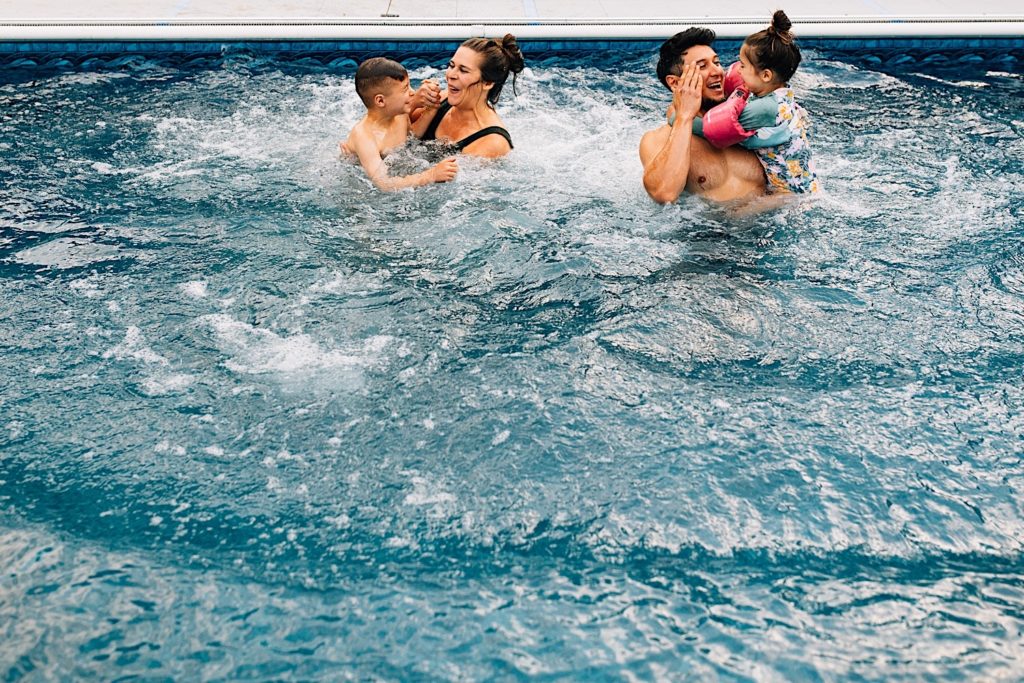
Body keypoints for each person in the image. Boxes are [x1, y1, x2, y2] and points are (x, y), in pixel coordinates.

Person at [696, 11, 820, 194]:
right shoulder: (778, 96)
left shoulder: (766, 108)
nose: (738, 71)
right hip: (805, 186)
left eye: (743, 66)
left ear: (766, 75)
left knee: (734, 218)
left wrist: (679, 116)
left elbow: (715, 130)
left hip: (790, 195)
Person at [639, 28, 767, 204]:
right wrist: (684, 117)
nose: (717, 72)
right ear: (675, 83)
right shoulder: (657, 140)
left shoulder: (747, 121)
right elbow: (664, 194)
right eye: (702, 66)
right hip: (708, 231)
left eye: (717, 62)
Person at [341, 57, 458, 191]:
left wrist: (431, 110)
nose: (413, 92)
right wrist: (430, 175)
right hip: (360, 185)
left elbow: (412, 136)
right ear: (380, 101)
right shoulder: (364, 136)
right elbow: (384, 184)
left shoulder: (399, 115)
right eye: (405, 89)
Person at [411, 35, 525, 159]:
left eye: (463, 70)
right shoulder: (442, 100)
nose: (451, 75)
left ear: (487, 83)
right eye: (451, 65)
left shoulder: (491, 143)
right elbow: (395, 132)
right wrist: (413, 102)